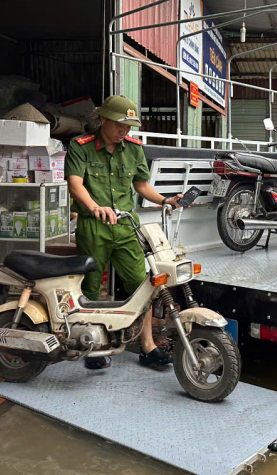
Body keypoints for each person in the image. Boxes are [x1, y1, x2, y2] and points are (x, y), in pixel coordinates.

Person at [65, 95, 181, 370]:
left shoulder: (133, 148)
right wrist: (94, 207)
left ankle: (147, 346)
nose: (124, 131)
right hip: (94, 227)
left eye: (129, 127)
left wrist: (165, 200)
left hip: (127, 226)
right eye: (120, 125)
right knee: (91, 287)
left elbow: (141, 186)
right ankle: (92, 347)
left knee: (142, 286)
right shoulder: (81, 146)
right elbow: (75, 183)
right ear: (103, 119)